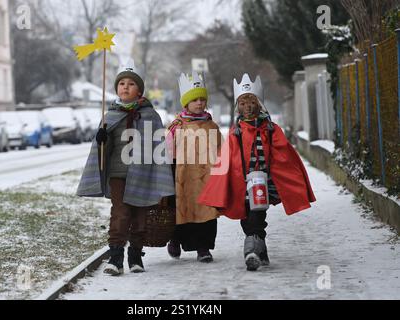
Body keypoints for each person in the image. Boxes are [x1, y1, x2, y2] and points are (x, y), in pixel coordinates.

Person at [198, 73, 316, 271]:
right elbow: (228, 157)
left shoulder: (271, 128)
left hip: (265, 182)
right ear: (238, 107)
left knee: (257, 215)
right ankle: (261, 251)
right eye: (243, 103)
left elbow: (284, 153)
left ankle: (250, 251)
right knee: (247, 217)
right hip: (243, 182)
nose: (248, 107)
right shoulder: (236, 131)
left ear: (259, 104)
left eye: (252, 102)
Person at [76, 59, 175, 276]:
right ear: (117, 89)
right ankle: (116, 257)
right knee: (120, 213)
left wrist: (160, 177)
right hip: (118, 173)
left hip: (143, 174)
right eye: (122, 84)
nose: (126, 87)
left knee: (140, 215)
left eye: (131, 84)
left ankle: (136, 255)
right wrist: (102, 138)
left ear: (139, 89)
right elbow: (104, 149)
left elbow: (158, 147)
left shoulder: (150, 115)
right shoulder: (110, 115)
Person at [166, 71, 222, 263]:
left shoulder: (211, 126)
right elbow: (167, 152)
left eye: (202, 99)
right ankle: (175, 240)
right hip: (183, 178)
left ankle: (203, 247)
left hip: (207, 178)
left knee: (206, 212)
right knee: (182, 210)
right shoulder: (177, 126)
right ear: (186, 103)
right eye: (194, 100)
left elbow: (221, 150)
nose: (199, 103)